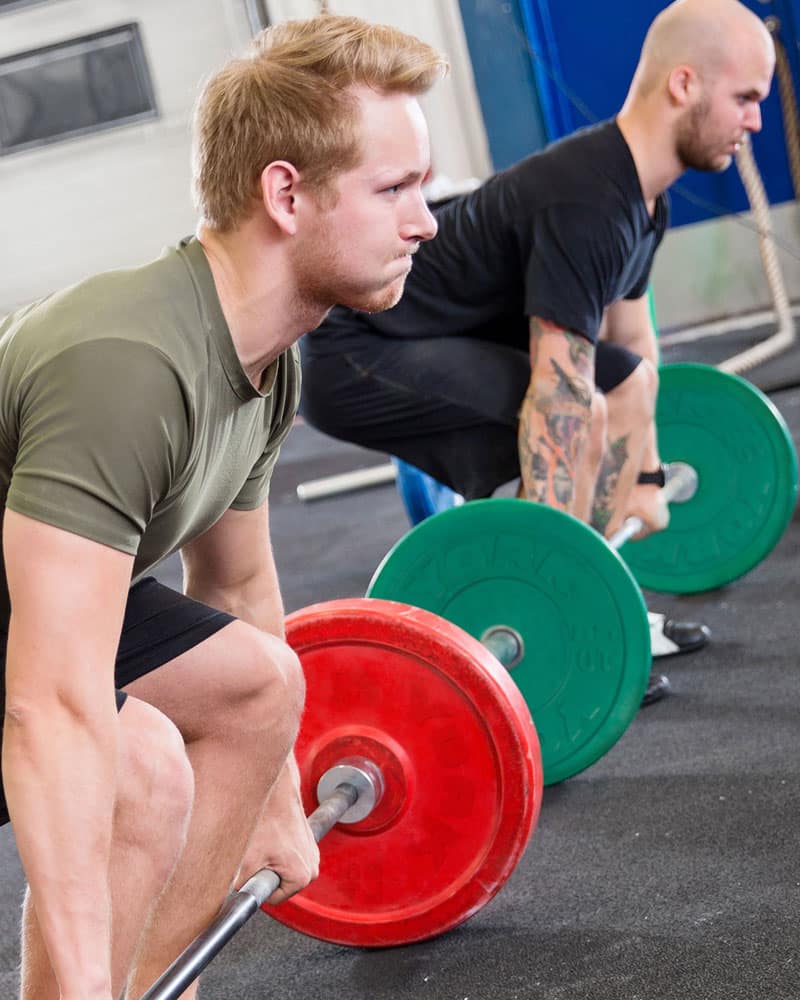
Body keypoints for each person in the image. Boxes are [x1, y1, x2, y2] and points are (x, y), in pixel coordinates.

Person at [0, 15, 445, 999]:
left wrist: (275, 800)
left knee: (257, 681)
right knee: (142, 766)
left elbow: (237, 586)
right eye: (395, 189)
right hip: (25, 605)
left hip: (19, 577)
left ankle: (154, 984)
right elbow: (51, 708)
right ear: (284, 192)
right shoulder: (130, 367)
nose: (427, 221)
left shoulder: (262, 358)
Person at [299, 0, 776, 702]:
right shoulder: (589, 200)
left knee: (628, 384)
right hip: (358, 351)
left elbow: (631, 351)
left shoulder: (645, 200)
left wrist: (644, 482)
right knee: (562, 431)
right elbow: (561, 400)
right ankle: (551, 629)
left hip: (440, 335)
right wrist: (553, 588)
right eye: (745, 98)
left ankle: (604, 605)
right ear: (684, 85)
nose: (756, 121)